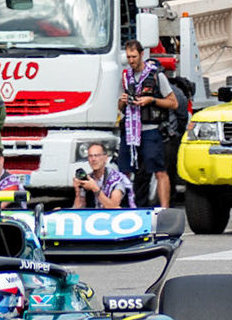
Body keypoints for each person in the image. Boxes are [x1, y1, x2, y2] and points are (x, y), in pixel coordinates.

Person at [119, 38, 175, 208]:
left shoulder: (157, 76)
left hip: (150, 130)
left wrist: (151, 100)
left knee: (159, 170)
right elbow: (120, 107)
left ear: (142, 54)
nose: (131, 61)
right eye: (128, 57)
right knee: (124, 171)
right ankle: (123, 207)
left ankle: (164, 210)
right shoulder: (126, 77)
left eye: (134, 56)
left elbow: (173, 103)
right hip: (130, 131)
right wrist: (123, 101)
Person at [71, 141, 134, 209]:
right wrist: (78, 192)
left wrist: (95, 189)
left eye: (97, 155)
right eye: (90, 156)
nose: (93, 159)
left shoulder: (116, 179)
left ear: (105, 158)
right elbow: (78, 208)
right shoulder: (88, 178)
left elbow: (114, 208)